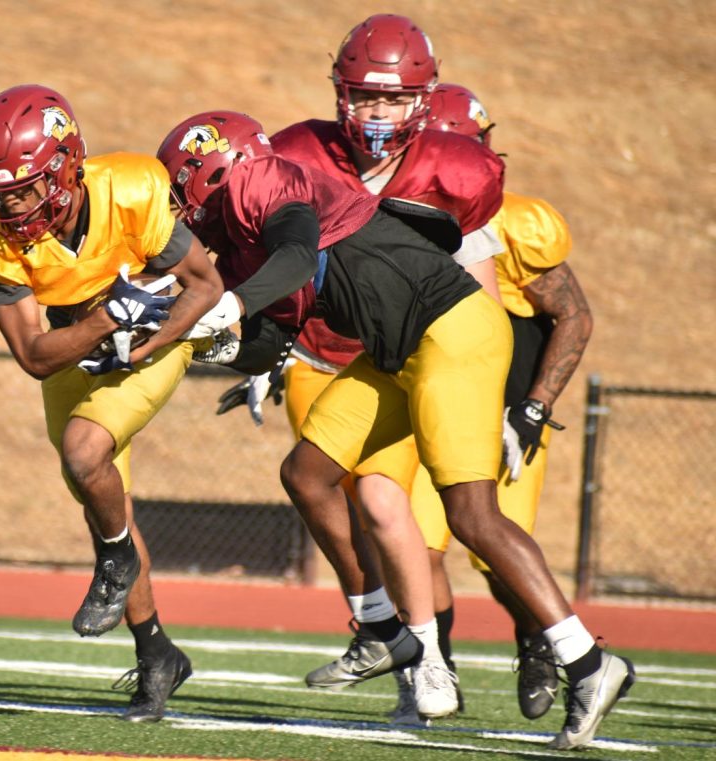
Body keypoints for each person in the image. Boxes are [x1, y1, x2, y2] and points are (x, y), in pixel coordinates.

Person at [157, 108, 634, 751]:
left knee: (471, 515)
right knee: (307, 473)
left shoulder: (265, 183)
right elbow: (268, 339)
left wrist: (227, 307)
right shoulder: (242, 250)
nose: (179, 205)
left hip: (454, 331)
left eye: (180, 185)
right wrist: (189, 340)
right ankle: (385, 630)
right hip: (399, 354)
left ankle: (587, 663)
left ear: (215, 168)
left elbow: (297, 254)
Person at [218, 14, 507, 723]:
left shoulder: (455, 166)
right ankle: (377, 628)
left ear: (423, 99)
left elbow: (482, 287)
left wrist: (495, 394)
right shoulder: (297, 151)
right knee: (320, 488)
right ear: (339, 92)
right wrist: (266, 342)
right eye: (364, 97)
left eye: (393, 100)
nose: (376, 114)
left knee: (387, 506)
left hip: (409, 355)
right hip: (322, 354)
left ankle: (437, 660)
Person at [0, 84, 222, 722]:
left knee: (85, 453)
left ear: (67, 166)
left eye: (22, 188)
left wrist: (141, 341)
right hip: (78, 341)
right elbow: (32, 355)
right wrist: (106, 323)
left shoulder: (128, 190)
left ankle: (114, 561)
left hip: (154, 338)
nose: (8, 206)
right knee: (105, 500)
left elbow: (205, 284)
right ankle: (157, 654)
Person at [410, 82, 595, 722]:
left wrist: (535, 406)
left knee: (493, 550)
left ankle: (539, 642)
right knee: (418, 545)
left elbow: (574, 316)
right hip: (431, 404)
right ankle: (437, 669)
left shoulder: (512, 224)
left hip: (507, 414)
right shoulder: (389, 208)